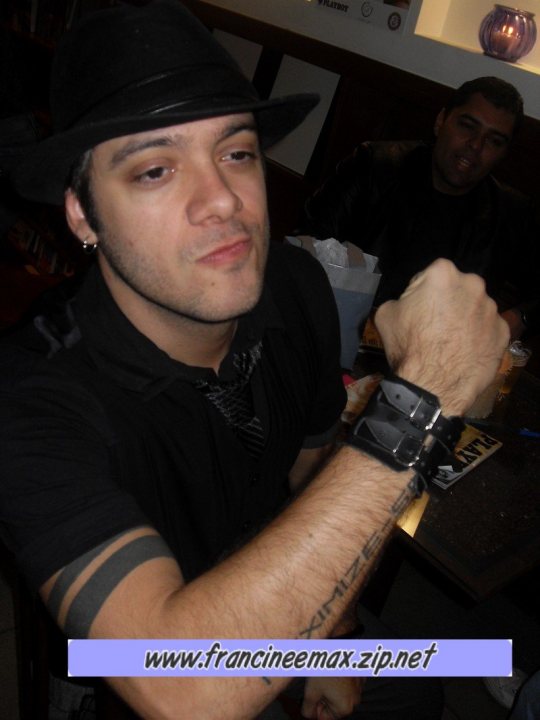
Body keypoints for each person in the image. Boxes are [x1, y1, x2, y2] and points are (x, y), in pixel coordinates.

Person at [0, 2, 509, 719]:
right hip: (128, 684)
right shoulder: (30, 395)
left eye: (236, 152)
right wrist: (415, 405)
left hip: (290, 602)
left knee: (429, 693)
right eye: (153, 170)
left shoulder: (294, 286)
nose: (222, 201)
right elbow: (180, 687)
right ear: (82, 214)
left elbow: (311, 474)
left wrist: (331, 630)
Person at [299, 76, 540, 340]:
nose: (475, 145)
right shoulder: (374, 168)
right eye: (467, 125)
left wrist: (520, 317)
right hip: (343, 338)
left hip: (436, 363)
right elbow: (306, 242)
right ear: (440, 121)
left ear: (503, 153)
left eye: (494, 141)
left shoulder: (510, 214)